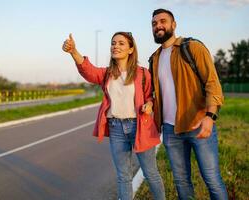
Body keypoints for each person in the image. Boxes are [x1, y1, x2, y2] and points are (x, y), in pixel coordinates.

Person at [62, 32, 165, 200]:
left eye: (121, 43)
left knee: (150, 173)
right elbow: (88, 71)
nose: (115, 46)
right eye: (113, 43)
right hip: (116, 128)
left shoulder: (143, 73)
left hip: (140, 127)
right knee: (123, 176)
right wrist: (74, 51)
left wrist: (150, 104)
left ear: (131, 49)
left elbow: (150, 96)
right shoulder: (107, 74)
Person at [150, 8, 228, 199]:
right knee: (181, 182)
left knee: (212, 179)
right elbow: (158, 93)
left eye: (163, 21)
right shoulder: (154, 59)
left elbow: (212, 83)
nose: (158, 26)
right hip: (171, 130)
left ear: (173, 25)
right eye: (154, 23)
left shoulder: (192, 47)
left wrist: (210, 117)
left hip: (199, 123)